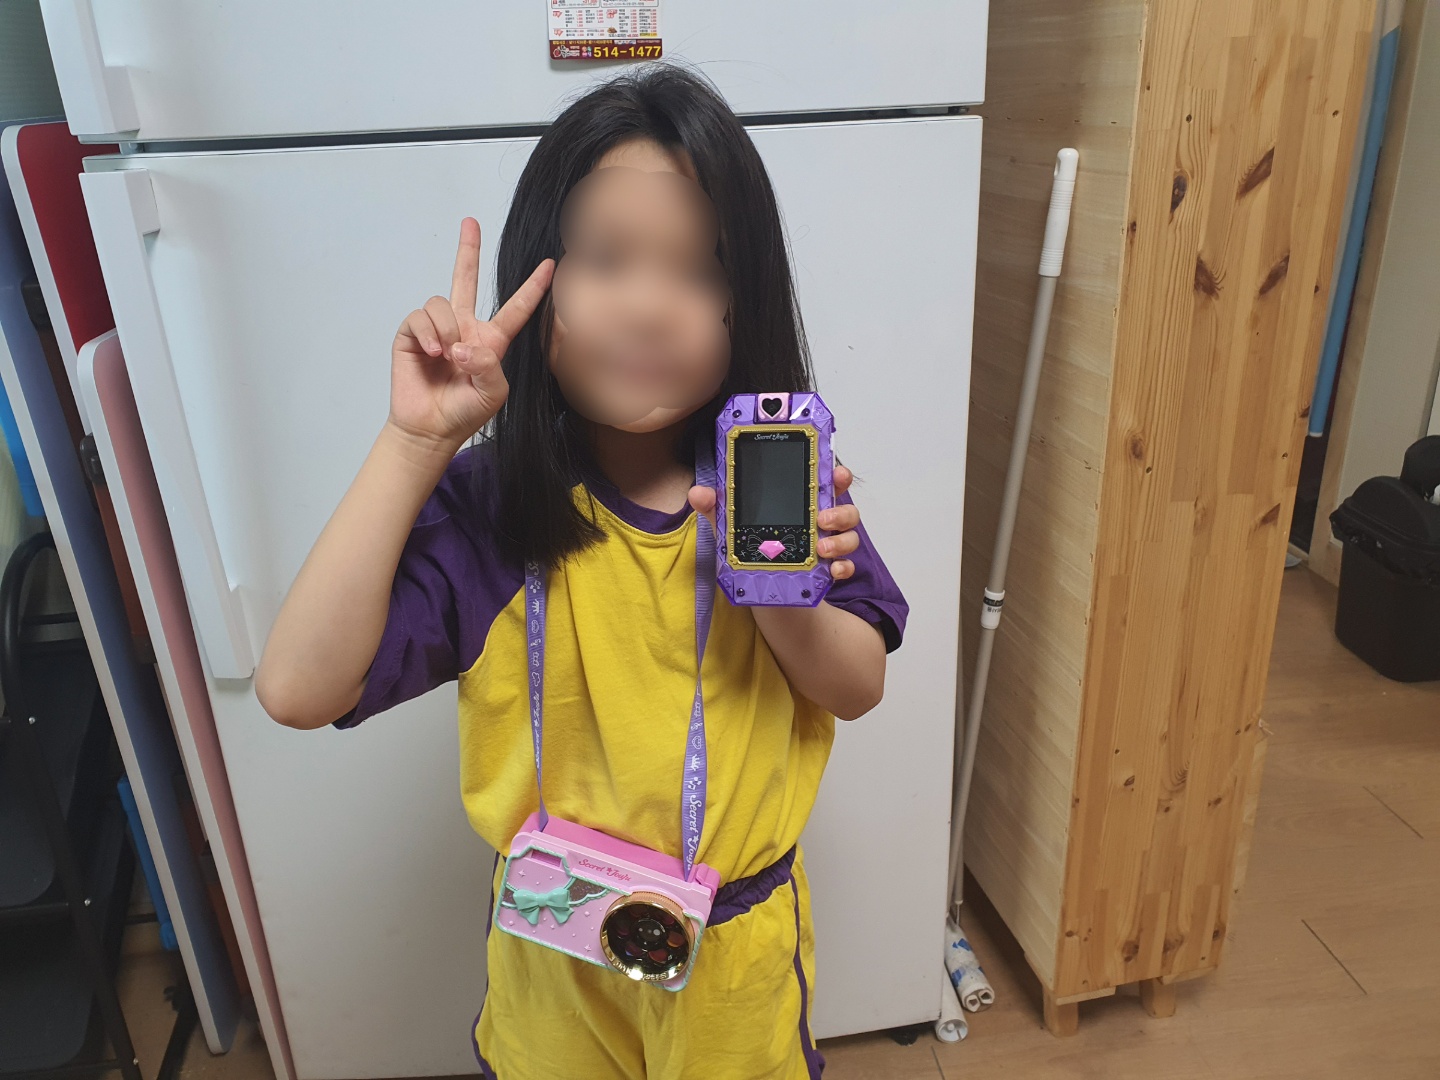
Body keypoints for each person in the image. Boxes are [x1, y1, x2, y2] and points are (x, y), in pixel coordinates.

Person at [256, 64, 907, 1080]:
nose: (649, 307)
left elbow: (856, 687)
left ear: (745, 307)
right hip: (553, 949)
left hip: (732, 959)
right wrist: (414, 443)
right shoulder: (489, 509)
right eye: (607, 260)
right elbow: (297, 690)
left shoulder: (779, 485)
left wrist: (775, 595)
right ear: (539, 277)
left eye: (700, 272)